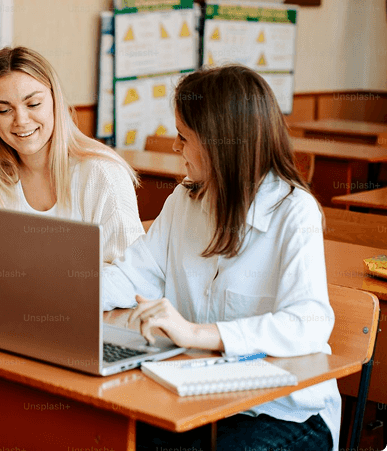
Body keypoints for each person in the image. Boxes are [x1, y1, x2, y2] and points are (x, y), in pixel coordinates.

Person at [102, 65, 339, 451]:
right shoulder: (185, 199)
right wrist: (65, 290)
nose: (175, 147)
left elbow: (307, 324)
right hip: (199, 400)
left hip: (282, 411)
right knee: (108, 434)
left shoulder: (295, 212)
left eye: (182, 137)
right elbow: (130, 277)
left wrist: (196, 333)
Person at [0, 46, 144, 271]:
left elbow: (131, 274)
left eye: (33, 104)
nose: (21, 120)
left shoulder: (101, 174)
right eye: (3, 110)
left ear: (55, 101)